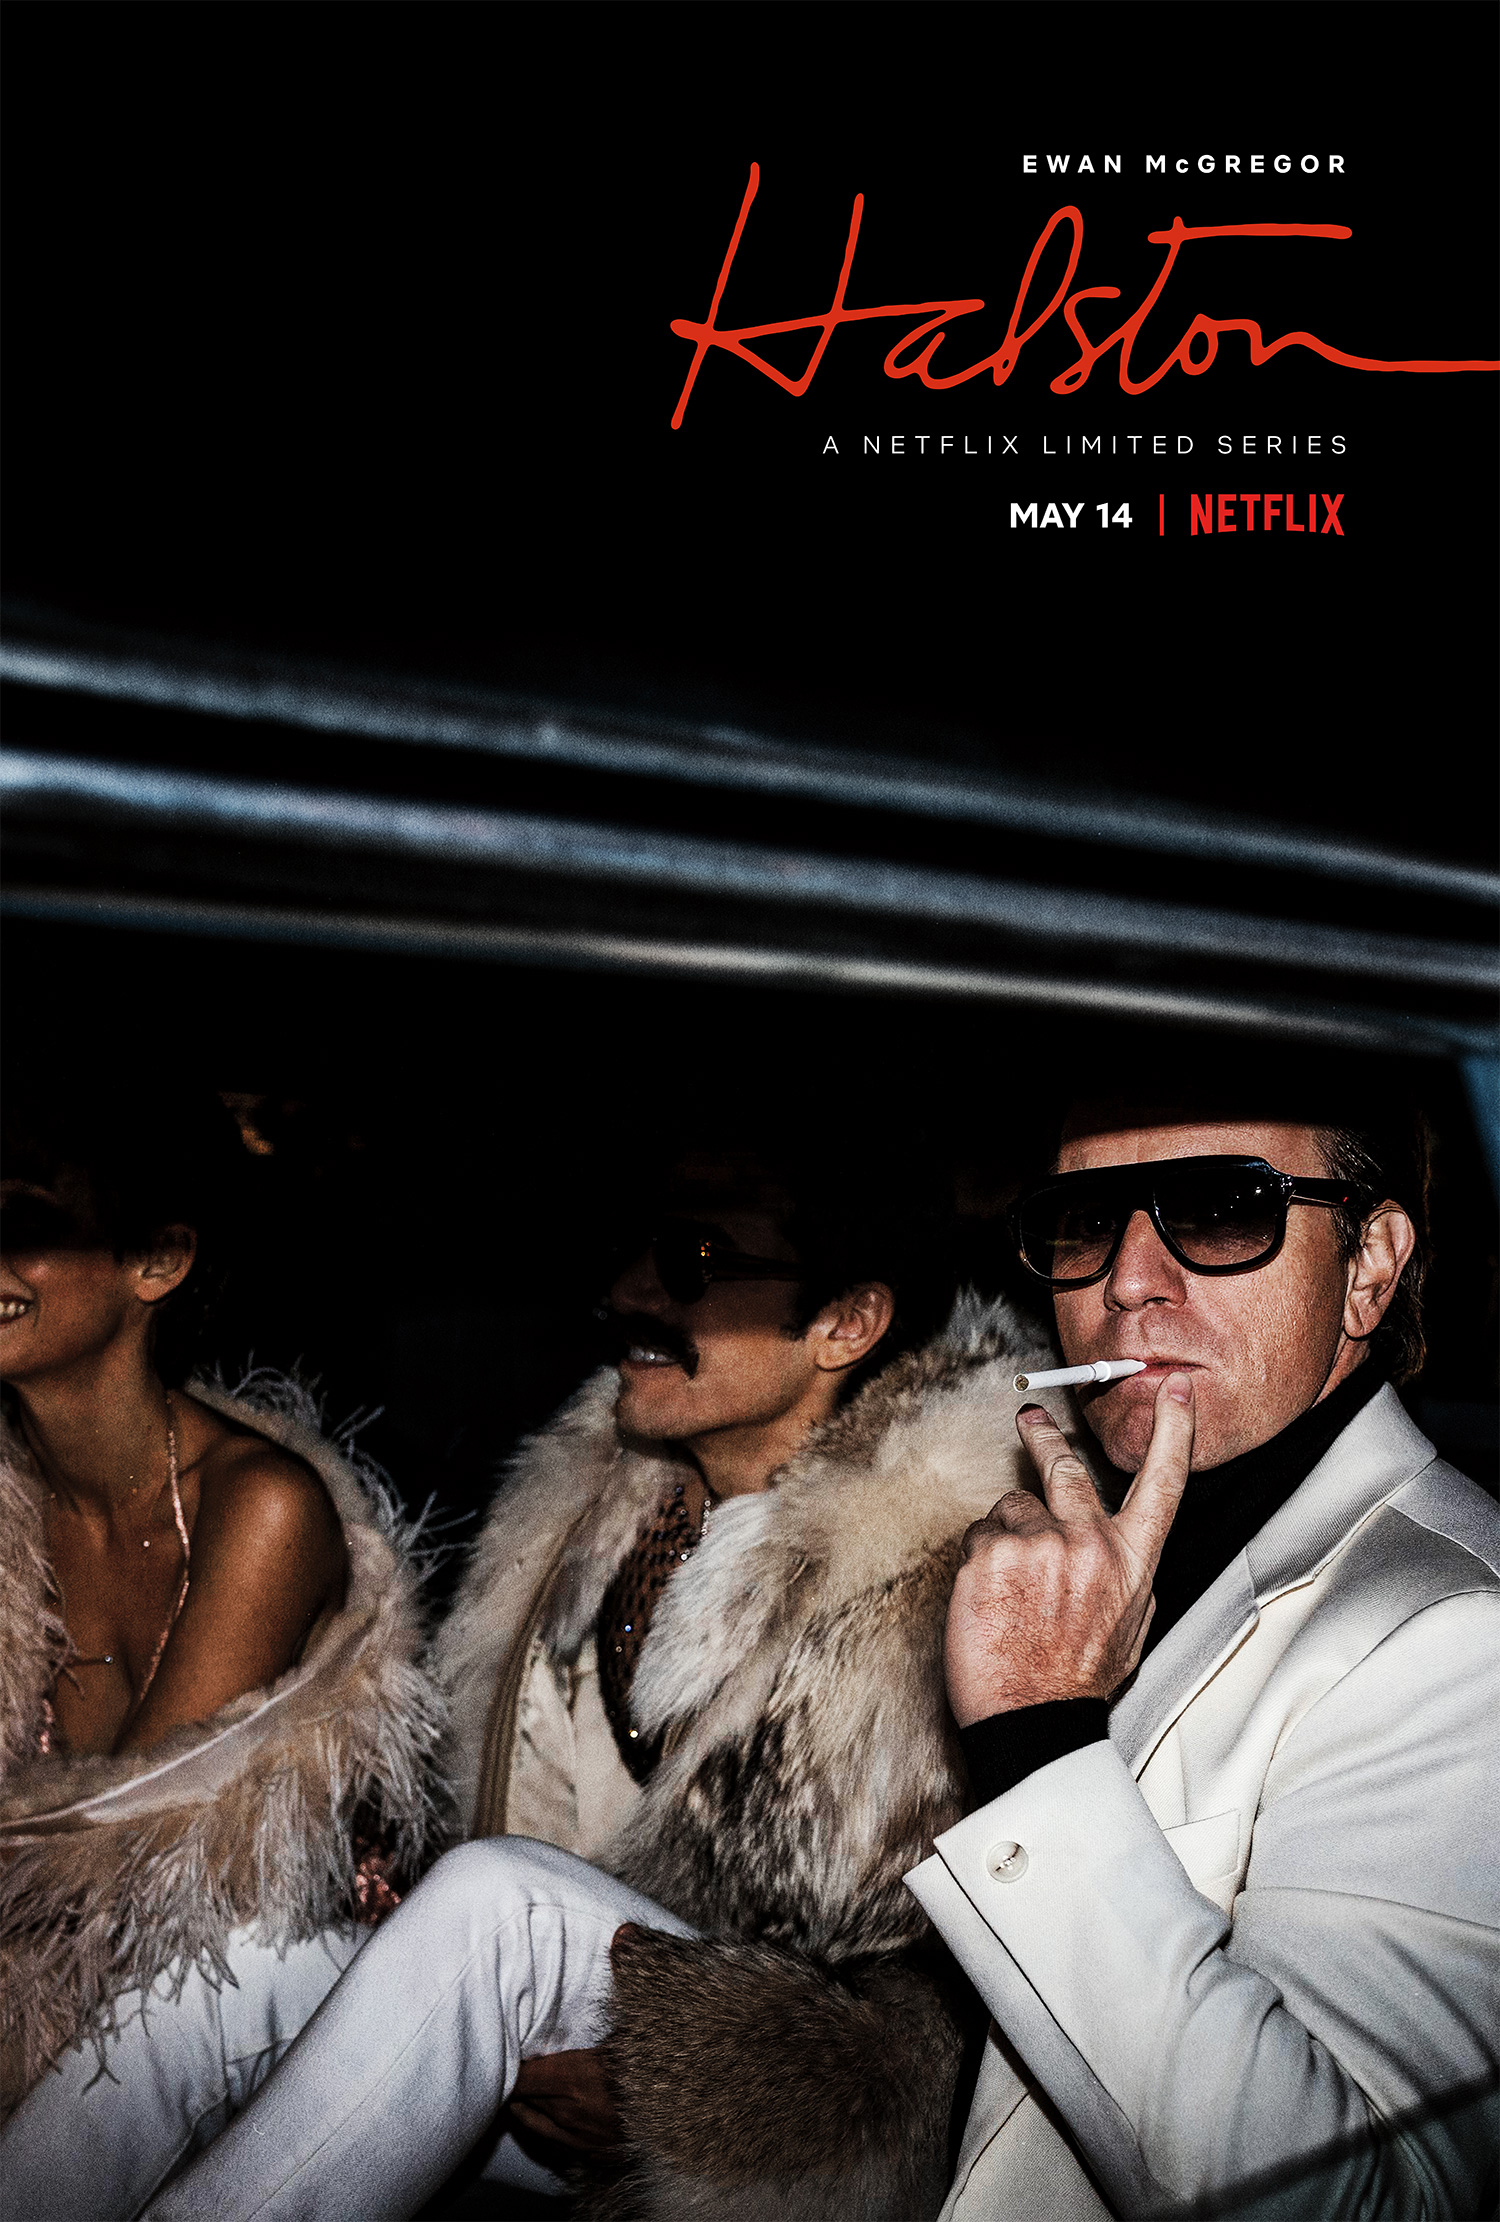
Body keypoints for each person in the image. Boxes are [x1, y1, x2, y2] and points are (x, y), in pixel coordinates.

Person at [125, 1145, 1076, 2222]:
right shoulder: (598, 1506)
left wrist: (703, 2085)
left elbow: (981, 1982)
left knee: (494, 1903)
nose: (628, 1293)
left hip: (783, 2118)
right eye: (635, 1248)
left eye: (693, 1259)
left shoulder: (962, 1572)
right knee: (222, 1971)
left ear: (845, 1323)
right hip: (560, 2017)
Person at [909, 1082, 1500, 2219]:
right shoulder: (1081, 1544)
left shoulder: (1455, 1634)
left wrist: (1037, 1735)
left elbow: (1354, 2200)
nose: (1128, 1280)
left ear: (1370, 1267)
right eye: (1084, 1222)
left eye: (1225, 1209)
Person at [0, 1080, 444, 2167]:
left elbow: (114, 1863)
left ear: (158, 1260)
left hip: (264, 2021)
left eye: (22, 1218)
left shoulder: (262, 1508)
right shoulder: (9, 1504)